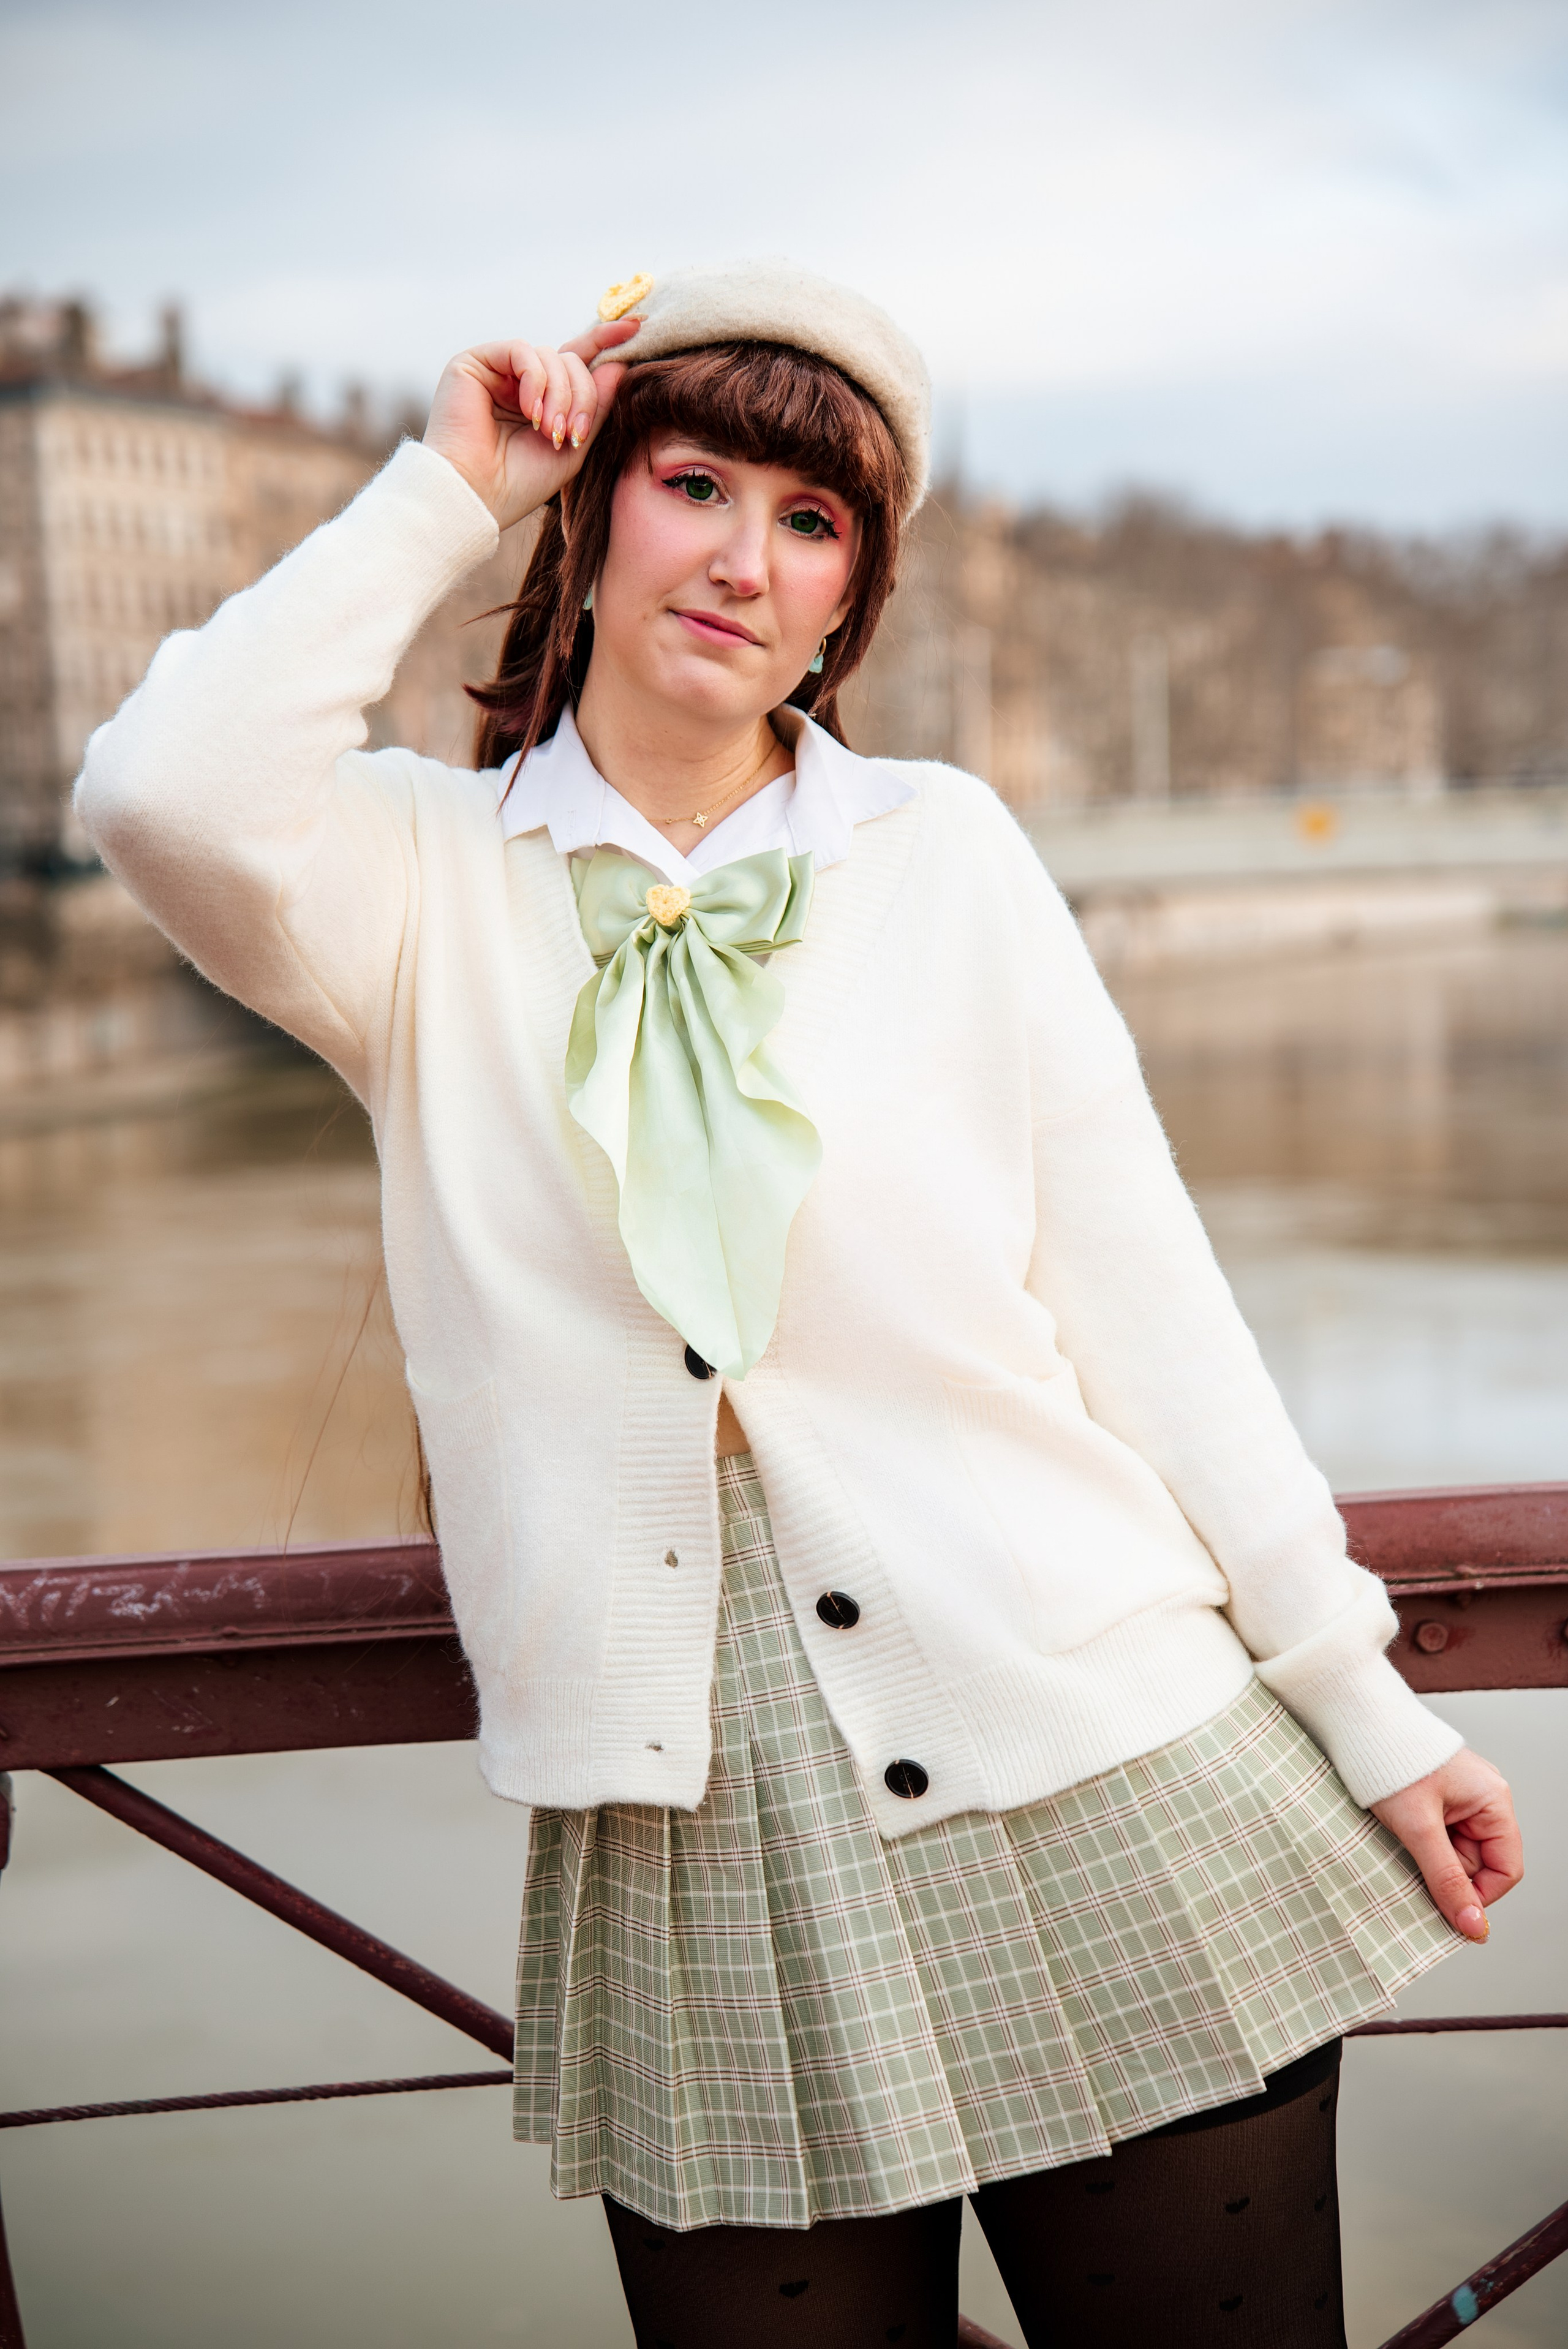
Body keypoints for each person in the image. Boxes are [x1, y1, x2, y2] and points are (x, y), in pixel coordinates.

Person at [75, 261, 1522, 2349]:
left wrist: (1365, 1702)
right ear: (595, 514)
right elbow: (157, 794)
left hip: (1105, 1763)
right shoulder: (411, 882)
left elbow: (1155, 1315)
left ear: (855, 594)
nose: (745, 559)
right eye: (694, 484)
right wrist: (446, 485)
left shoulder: (950, 854)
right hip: (693, 1849)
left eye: (813, 519)